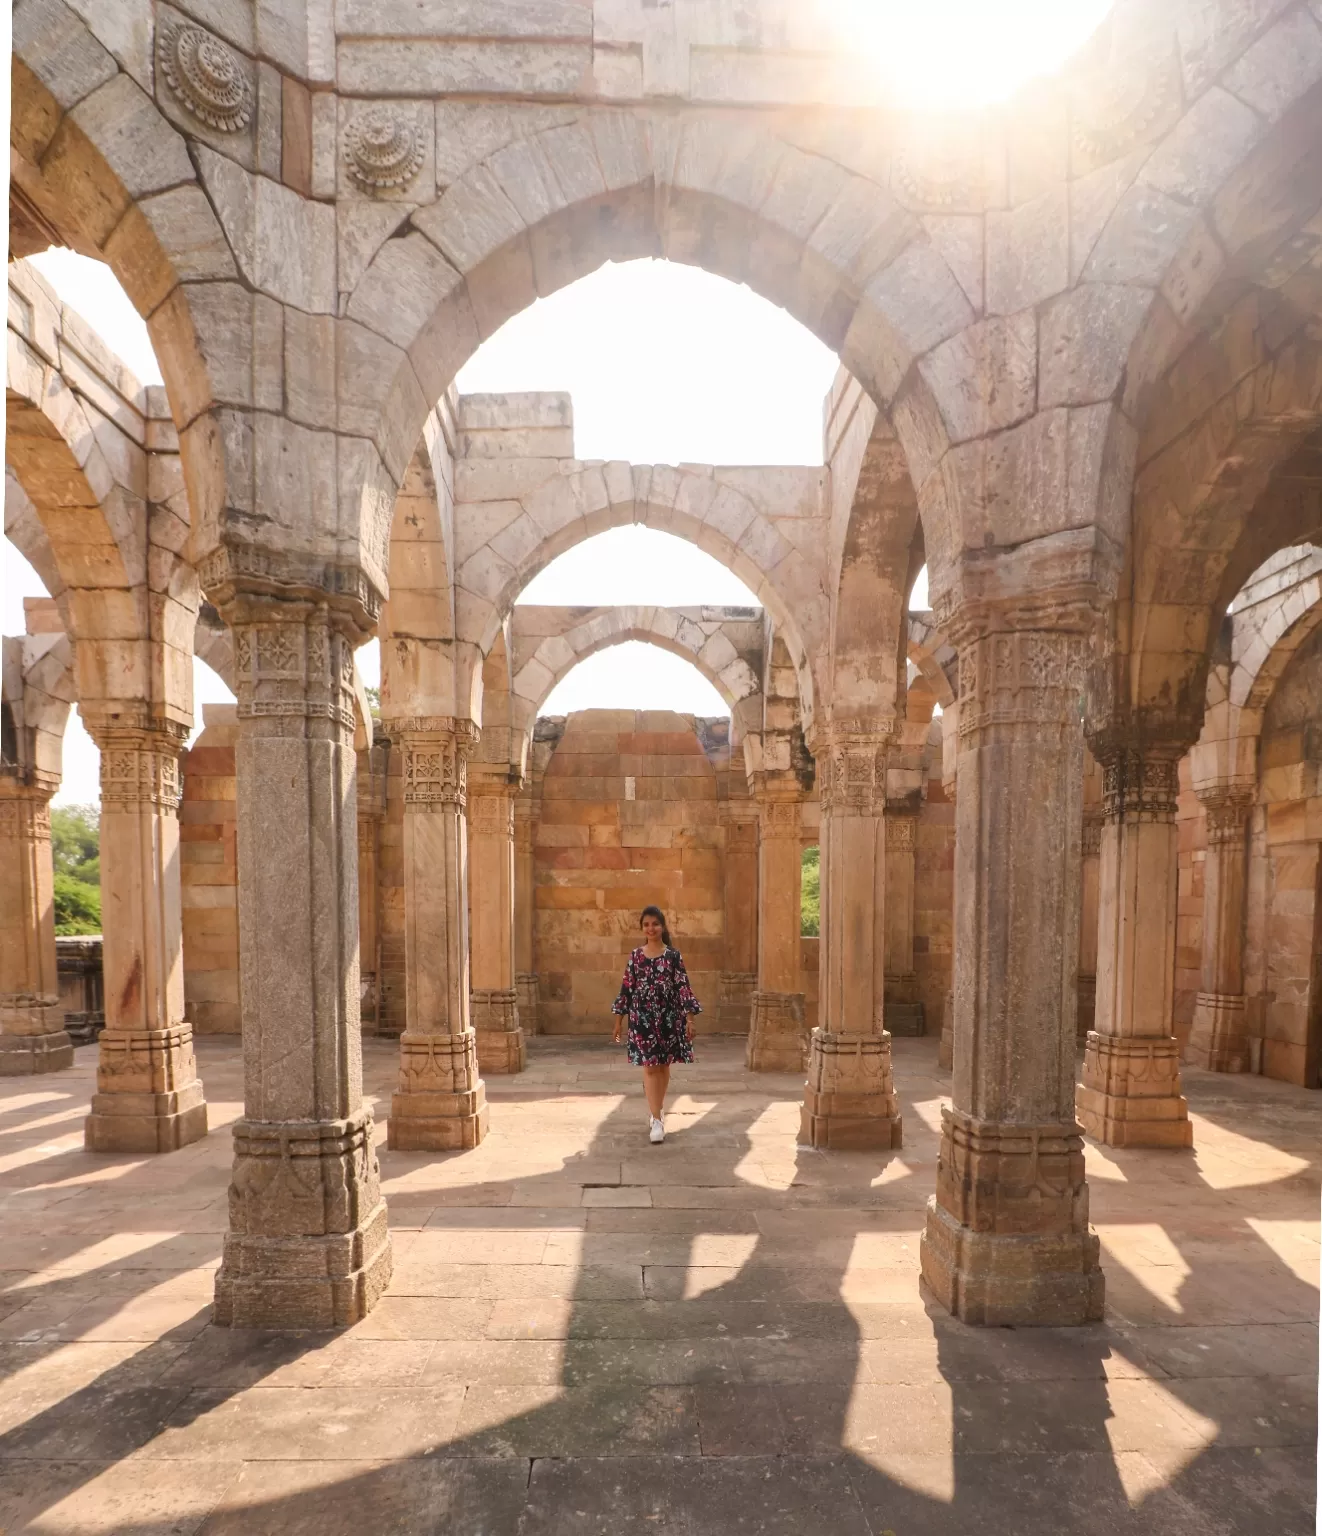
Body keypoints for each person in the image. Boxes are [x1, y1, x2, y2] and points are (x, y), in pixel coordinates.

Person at [611, 905, 701, 1143]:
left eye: (655, 924)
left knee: (662, 1066)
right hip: (642, 1019)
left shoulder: (673, 956)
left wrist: (690, 1019)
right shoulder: (635, 957)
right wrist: (618, 1021)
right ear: (642, 928)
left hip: (669, 1019)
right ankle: (657, 1119)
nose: (651, 928)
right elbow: (626, 990)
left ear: (662, 926)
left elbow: (683, 988)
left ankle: (658, 1109)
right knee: (650, 1067)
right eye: (646, 924)